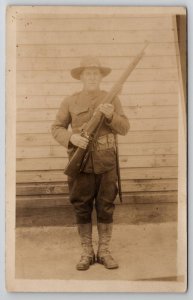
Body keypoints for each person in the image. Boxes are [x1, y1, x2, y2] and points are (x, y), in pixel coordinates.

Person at [51, 56, 129, 271]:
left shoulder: (111, 99)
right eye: (88, 73)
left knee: (106, 206)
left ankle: (103, 252)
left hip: (106, 163)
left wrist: (112, 116)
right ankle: (87, 252)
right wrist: (71, 138)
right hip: (81, 164)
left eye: (96, 73)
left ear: (101, 77)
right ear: (82, 77)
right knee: (82, 207)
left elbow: (125, 128)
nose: (92, 77)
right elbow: (56, 127)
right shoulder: (70, 101)